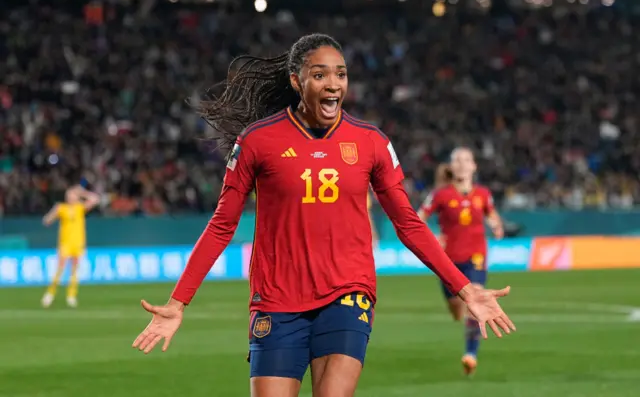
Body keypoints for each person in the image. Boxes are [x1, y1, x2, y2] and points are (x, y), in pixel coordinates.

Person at [132, 34, 515, 397]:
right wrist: (178, 302)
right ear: (297, 81)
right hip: (277, 300)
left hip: (348, 294)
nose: (333, 84)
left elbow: (408, 224)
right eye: (320, 75)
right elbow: (221, 225)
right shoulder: (256, 141)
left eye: (340, 74)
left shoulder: (371, 142)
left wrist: (465, 289)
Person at [418, 149, 505, 376]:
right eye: (457, 160)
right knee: (456, 309)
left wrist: (496, 225)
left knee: (473, 298)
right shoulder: (440, 195)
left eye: (466, 160)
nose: (462, 164)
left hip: (475, 257)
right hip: (447, 261)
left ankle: (470, 355)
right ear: (451, 166)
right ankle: (459, 316)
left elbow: (492, 214)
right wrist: (430, 236)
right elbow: (418, 219)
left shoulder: (484, 194)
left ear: (474, 166)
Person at [41, 184, 100, 308]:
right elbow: (46, 221)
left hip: (78, 243)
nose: (70, 197)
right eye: (69, 195)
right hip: (65, 243)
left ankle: (71, 296)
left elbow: (95, 199)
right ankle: (50, 293)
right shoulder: (61, 208)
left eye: (73, 195)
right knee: (60, 269)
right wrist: (52, 213)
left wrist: (83, 192)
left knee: (74, 270)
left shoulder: (80, 208)